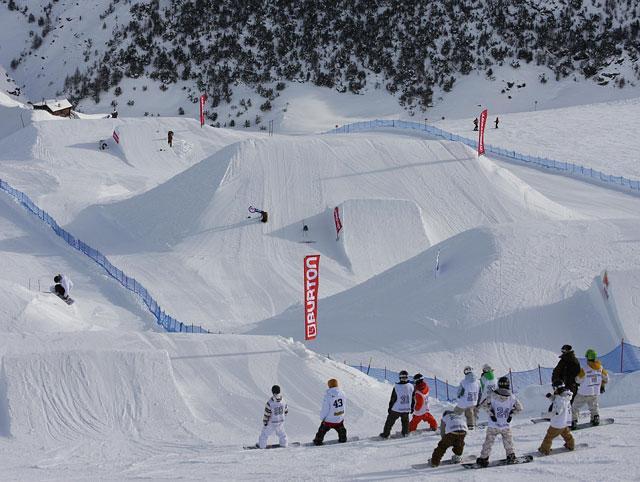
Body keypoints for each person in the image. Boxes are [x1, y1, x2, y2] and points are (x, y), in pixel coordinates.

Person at [476, 376, 523, 467]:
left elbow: (484, 405)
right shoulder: (512, 397)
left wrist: (491, 413)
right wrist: (510, 415)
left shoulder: (492, 395)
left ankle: (483, 459)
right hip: (506, 425)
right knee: (508, 441)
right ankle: (511, 456)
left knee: (489, 442)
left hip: (493, 424)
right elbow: (520, 408)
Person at [572, 349, 608, 429]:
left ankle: (573, 421)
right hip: (594, 392)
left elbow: (578, 380)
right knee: (594, 406)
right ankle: (595, 418)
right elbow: (606, 379)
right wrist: (602, 385)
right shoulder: (601, 369)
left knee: (575, 406)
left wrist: (575, 378)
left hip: (583, 393)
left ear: (588, 358)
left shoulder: (584, 370)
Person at [538, 384, 575, 455]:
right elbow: (556, 400)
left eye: (554, 388)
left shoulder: (560, 400)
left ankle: (544, 449)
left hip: (557, 423)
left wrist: (545, 415)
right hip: (564, 422)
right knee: (566, 434)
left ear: (556, 388)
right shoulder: (565, 396)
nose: (553, 389)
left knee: (549, 436)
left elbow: (557, 412)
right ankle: (571, 445)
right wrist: (550, 397)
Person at [379, 370, 414, 438]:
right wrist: (412, 407)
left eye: (404, 378)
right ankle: (405, 433)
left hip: (397, 409)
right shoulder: (411, 386)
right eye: (403, 377)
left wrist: (390, 408)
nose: (404, 379)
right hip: (406, 408)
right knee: (405, 422)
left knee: (389, 422)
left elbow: (393, 399)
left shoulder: (397, 387)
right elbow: (412, 398)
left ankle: (386, 434)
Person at [313, 378, 347, 445]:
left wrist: (322, 418)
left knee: (322, 431)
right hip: (339, 418)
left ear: (329, 385)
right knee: (342, 430)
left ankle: (318, 441)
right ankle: (343, 438)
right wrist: (342, 415)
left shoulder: (328, 396)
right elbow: (344, 405)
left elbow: (325, 409)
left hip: (329, 420)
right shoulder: (343, 393)